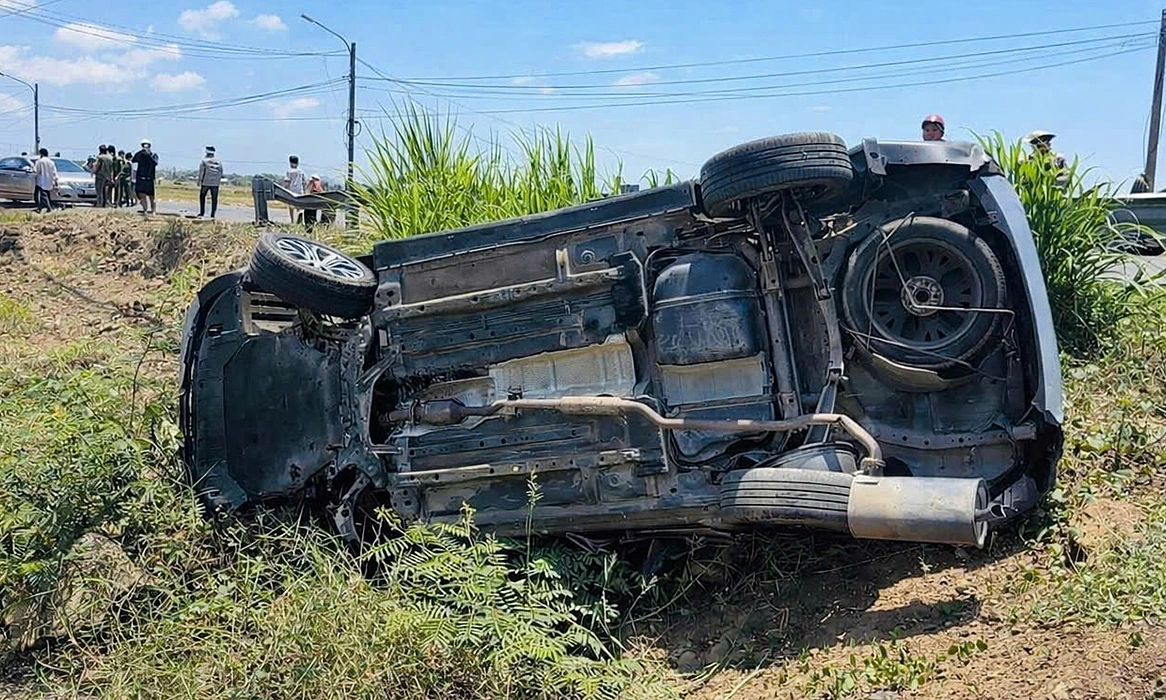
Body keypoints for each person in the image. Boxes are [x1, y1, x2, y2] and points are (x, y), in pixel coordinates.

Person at [132, 139, 159, 215]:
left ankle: (153, 211)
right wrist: (141, 153)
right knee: (142, 195)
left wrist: (148, 155)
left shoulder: (153, 155)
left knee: (151, 197)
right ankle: (145, 211)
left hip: (149, 179)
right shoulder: (140, 155)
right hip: (141, 178)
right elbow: (134, 160)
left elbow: (155, 163)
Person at [198, 145, 223, 219]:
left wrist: (199, 181)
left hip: (206, 182)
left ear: (206, 153)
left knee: (202, 196)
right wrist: (218, 181)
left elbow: (201, 172)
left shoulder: (204, 161)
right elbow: (221, 172)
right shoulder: (219, 162)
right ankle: (213, 214)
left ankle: (202, 213)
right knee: (214, 199)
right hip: (215, 183)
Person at [32, 148, 58, 214]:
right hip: (49, 180)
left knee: (43, 195)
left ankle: (47, 208)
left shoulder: (39, 161)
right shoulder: (51, 162)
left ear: (41, 154)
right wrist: (55, 180)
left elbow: (36, 171)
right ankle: (42, 208)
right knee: (47, 195)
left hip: (41, 180)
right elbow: (54, 172)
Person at [284, 155, 305, 224]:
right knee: (299, 206)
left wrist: (285, 189)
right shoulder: (301, 171)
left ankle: (292, 221)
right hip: (300, 190)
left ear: (290, 162)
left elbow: (287, 182)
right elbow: (303, 182)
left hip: (291, 190)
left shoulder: (289, 171)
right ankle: (300, 216)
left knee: (291, 207)